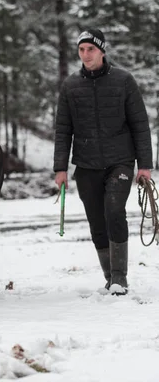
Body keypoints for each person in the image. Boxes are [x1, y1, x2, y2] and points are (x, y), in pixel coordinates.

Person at [53, 28, 153, 295]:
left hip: (120, 160)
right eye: (82, 49)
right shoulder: (71, 85)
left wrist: (144, 164)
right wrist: (60, 168)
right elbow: (63, 129)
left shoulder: (123, 81)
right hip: (85, 165)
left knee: (114, 211)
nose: (86, 55)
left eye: (91, 49)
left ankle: (120, 278)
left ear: (102, 51)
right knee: (96, 221)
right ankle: (110, 276)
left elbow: (140, 125)